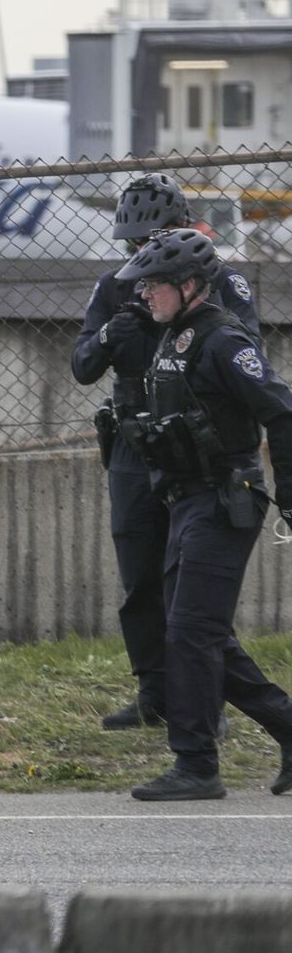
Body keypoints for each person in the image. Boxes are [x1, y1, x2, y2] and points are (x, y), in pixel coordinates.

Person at [72, 172, 260, 731]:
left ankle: (205, 700)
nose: (141, 253)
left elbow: (247, 358)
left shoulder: (223, 284)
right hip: (134, 448)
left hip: (194, 451)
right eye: (132, 244)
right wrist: (114, 334)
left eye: (150, 240)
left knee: (192, 584)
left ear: (180, 228)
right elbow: (83, 366)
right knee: (140, 577)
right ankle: (155, 692)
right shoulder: (116, 286)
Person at [111, 229, 292, 801]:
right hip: (187, 500)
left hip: (225, 498)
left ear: (188, 285)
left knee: (191, 632)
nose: (143, 295)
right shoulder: (173, 335)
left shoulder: (222, 340)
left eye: (153, 286)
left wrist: (288, 492)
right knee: (199, 632)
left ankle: (196, 764)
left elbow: (282, 412)